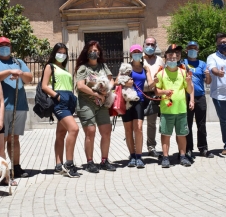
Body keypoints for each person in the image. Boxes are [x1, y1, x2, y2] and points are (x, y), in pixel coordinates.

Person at [0, 37, 33, 179]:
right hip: (1, 108)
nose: (4, 47)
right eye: (1, 45)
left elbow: (29, 78)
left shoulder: (18, 62)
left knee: (15, 138)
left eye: (7, 45)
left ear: (11, 47)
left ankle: (16, 167)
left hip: (19, 105)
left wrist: (20, 73)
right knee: (1, 139)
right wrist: (9, 72)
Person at [75, 40, 116, 173]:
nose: (94, 53)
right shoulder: (83, 68)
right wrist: (96, 94)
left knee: (106, 131)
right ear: (86, 52)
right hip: (86, 103)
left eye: (96, 50)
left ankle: (104, 161)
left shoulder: (103, 66)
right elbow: (80, 85)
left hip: (102, 103)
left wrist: (107, 89)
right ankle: (90, 162)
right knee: (90, 132)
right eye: (91, 50)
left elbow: (111, 80)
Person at [41, 43, 80, 177]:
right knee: (74, 129)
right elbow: (44, 86)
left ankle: (58, 166)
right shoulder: (50, 66)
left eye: (64, 53)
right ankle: (69, 164)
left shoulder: (63, 68)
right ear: (54, 53)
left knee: (60, 134)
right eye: (59, 52)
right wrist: (56, 96)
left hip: (69, 101)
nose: (62, 55)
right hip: (60, 102)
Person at [155, 44, 193, 168]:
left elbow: (189, 90)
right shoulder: (161, 74)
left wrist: (188, 82)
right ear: (166, 57)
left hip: (181, 109)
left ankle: (182, 156)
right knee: (166, 134)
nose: (172, 58)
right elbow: (156, 91)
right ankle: (165, 157)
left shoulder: (183, 72)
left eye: (175, 56)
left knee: (182, 134)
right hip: (167, 110)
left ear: (178, 58)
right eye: (170, 55)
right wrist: (164, 92)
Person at [119, 44, 153, 168]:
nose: (137, 54)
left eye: (139, 52)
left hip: (139, 100)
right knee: (128, 129)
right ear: (131, 54)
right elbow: (117, 81)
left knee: (138, 128)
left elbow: (150, 84)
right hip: (126, 100)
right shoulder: (126, 67)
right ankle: (132, 155)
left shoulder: (145, 68)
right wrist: (126, 82)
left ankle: (139, 156)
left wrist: (156, 80)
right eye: (135, 52)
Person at [183, 41, 214, 159]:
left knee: (201, 123)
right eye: (190, 48)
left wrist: (208, 75)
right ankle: (188, 149)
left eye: (194, 48)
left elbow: (208, 82)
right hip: (186, 96)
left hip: (200, 96)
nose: (192, 50)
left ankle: (203, 148)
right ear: (186, 50)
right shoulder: (183, 63)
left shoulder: (202, 64)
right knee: (188, 123)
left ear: (198, 50)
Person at [142, 37, 164, 157]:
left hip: (154, 95)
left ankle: (151, 147)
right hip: (139, 95)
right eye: (148, 44)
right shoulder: (138, 58)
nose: (150, 46)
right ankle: (135, 150)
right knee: (137, 124)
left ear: (156, 46)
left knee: (152, 123)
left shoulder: (160, 60)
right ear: (144, 45)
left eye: (152, 44)